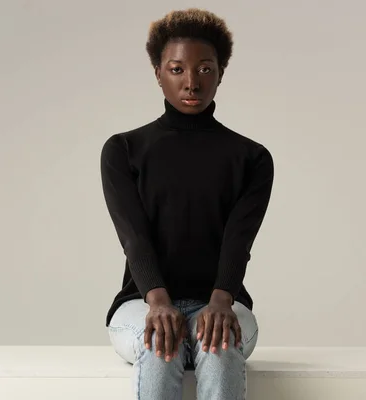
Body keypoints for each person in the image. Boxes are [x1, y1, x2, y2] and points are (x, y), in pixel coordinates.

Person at [100, 8, 274, 400]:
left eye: (205, 69)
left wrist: (220, 301)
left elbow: (238, 241)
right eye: (177, 69)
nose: (192, 82)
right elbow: (135, 238)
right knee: (163, 342)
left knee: (219, 342)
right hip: (139, 303)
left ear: (220, 73)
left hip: (223, 302)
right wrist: (158, 302)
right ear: (158, 73)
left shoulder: (252, 158)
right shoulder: (124, 150)